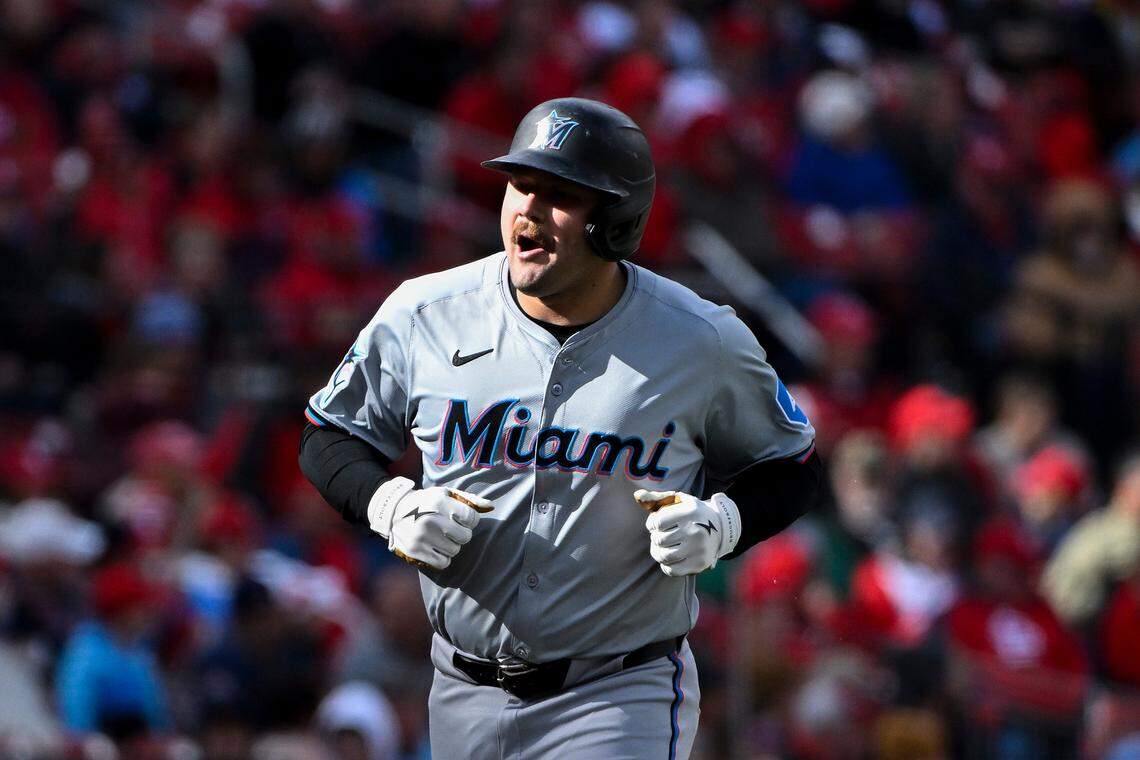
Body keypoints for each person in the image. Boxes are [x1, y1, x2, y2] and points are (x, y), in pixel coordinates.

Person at [298, 97, 824, 759]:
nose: (528, 210)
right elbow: (328, 433)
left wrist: (724, 523)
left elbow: (796, 468)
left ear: (616, 221)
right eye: (521, 185)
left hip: (618, 690)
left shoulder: (700, 338)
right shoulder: (424, 313)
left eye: (560, 196)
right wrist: (390, 504)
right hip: (461, 689)